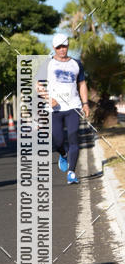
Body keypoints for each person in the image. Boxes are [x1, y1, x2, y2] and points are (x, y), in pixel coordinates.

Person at [46, 33, 90, 185]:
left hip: (73, 106)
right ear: (54, 48)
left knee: (73, 137)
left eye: (64, 46)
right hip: (55, 109)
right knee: (57, 140)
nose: (62, 50)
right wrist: (47, 98)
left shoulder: (76, 64)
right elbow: (37, 85)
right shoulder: (47, 64)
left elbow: (82, 84)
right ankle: (63, 154)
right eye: (58, 47)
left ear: (68, 46)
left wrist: (85, 103)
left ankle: (71, 172)